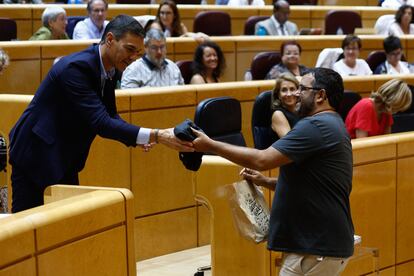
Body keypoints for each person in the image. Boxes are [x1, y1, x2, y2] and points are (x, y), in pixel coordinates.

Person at [9, 15, 193, 213]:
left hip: (62, 155)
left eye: (138, 53)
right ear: (110, 40)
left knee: (62, 226)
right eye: (130, 49)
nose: (133, 58)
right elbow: (101, 122)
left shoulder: (110, 68)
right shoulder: (76, 68)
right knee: (26, 228)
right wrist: (157, 135)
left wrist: (141, 137)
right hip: (35, 153)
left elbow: (110, 114)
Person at [192, 68, 354, 276]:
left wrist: (210, 145)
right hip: (320, 245)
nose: (296, 93)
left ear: (320, 95)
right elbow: (314, 185)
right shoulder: (332, 123)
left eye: (302, 89)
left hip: (316, 247)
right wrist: (266, 182)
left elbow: (262, 159)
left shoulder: (316, 125)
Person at [345, 79, 412, 139]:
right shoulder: (366, 106)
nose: (398, 111)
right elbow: (361, 142)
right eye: (398, 107)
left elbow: (387, 140)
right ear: (393, 101)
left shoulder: (386, 109)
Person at [270, 72, 300, 139]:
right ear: (278, 95)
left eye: (292, 89)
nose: (289, 94)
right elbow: (291, 144)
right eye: (284, 90)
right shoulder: (278, 115)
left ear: (298, 91)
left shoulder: (302, 111)